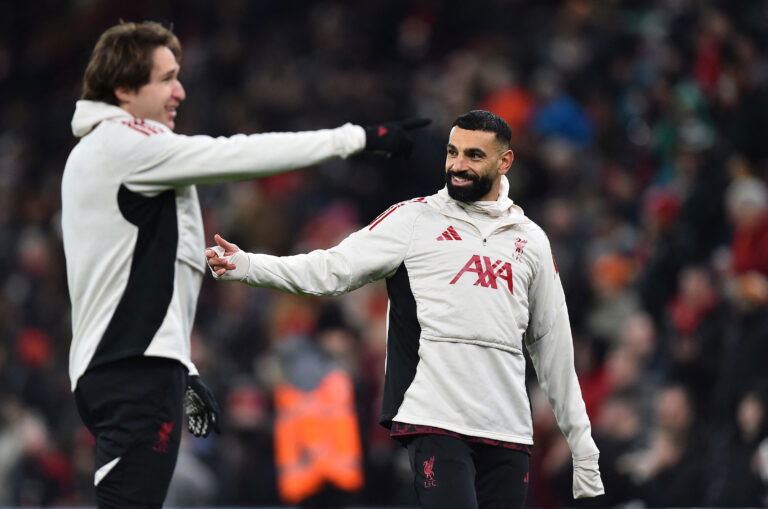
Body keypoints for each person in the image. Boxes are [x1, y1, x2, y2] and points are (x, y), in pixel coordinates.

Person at [61, 20, 427, 509]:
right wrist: (355, 138)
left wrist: (180, 363)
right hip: (133, 369)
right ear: (124, 88)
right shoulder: (123, 144)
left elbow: (134, 276)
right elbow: (236, 153)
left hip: (131, 363)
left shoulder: (104, 153)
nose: (180, 90)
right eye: (166, 78)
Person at [207, 110, 605, 508]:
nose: (458, 165)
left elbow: (554, 346)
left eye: (473, 155)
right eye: (452, 152)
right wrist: (249, 265)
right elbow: (331, 269)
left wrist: (582, 445)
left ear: (505, 162)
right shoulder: (414, 219)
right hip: (436, 416)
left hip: (508, 427)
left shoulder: (531, 241)